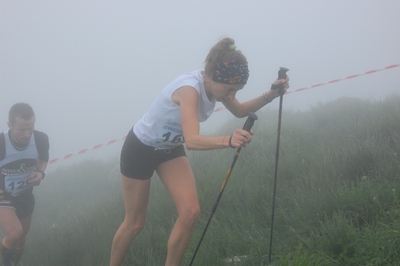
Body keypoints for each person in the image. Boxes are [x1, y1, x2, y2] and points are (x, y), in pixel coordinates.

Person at [110, 37, 289, 266]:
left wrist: (271, 94)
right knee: (135, 223)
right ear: (213, 75)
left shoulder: (218, 86)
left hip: (169, 148)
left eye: (237, 89)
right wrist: (229, 140)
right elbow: (193, 141)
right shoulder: (189, 90)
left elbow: (240, 111)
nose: (232, 95)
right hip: (141, 148)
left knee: (191, 211)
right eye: (230, 88)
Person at [0, 103, 49, 266]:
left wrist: (40, 173)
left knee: (21, 239)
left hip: (25, 194)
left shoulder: (41, 139)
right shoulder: (1, 142)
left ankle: (14, 263)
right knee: (14, 233)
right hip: (4, 195)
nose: (27, 134)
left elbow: (43, 159)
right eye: (21, 129)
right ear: (10, 125)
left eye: (31, 128)